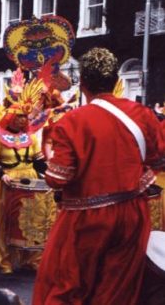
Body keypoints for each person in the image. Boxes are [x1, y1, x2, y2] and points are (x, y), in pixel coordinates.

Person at [33, 47, 165, 304]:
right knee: (117, 285)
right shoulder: (143, 114)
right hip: (131, 210)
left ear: (82, 83)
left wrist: (48, 159)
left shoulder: (72, 122)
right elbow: (159, 159)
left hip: (85, 218)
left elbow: (59, 178)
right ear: (116, 81)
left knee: (69, 284)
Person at [0, 78, 53, 274]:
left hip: (30, 179)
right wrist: (2, 175)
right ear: (11, 117)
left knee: (32, 219)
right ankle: (4, 261)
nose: (24, 119)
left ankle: (31, 259)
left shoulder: (31, 138)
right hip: (9, 181)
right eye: (20, 116)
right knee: (5, 222)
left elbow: (39, 161)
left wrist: (49, 172)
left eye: (26, 116)